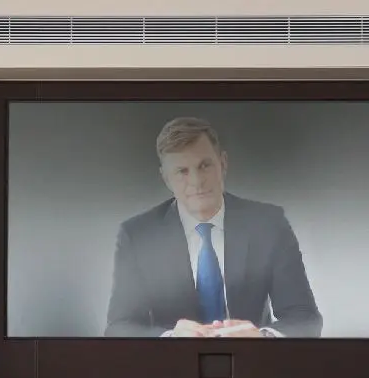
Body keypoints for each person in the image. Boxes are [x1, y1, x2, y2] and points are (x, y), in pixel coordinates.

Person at [104, 116, 322, 338]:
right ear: (166, 178)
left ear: (223, 164)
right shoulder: (137, 236)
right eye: (182, 171)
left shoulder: (268, 224)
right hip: (171, 366)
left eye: (204, 165)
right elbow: (119, 327)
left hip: (253, 363)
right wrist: (169, 339)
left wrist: (262, 337)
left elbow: (305, 318)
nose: (197, 181)